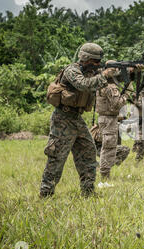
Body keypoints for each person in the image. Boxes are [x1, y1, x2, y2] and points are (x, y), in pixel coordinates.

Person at [40, 43, 113, 198]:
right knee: (57, 156)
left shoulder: (92, 72)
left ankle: (88, 191)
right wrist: (105, 74)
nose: (97, 65)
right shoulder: (72, 71)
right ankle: (46, 194)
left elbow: (111, 78)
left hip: (76, 119)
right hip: (63, 118)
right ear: (85, 58)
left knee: (88, 151)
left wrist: (131, 72)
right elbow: (83, 85)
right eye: (95, 61)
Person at [96, 60, 144, 179]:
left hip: (108, 119)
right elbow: (117, 104)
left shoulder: (103, 82)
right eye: (115, 70)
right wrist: (127, 93)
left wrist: (132, 72)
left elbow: (123, 77)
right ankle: (104, 177)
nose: (117, 72)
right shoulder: (109, 86)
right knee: (108, 148)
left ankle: (105, 173)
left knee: (111, 147)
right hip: (108, 119)